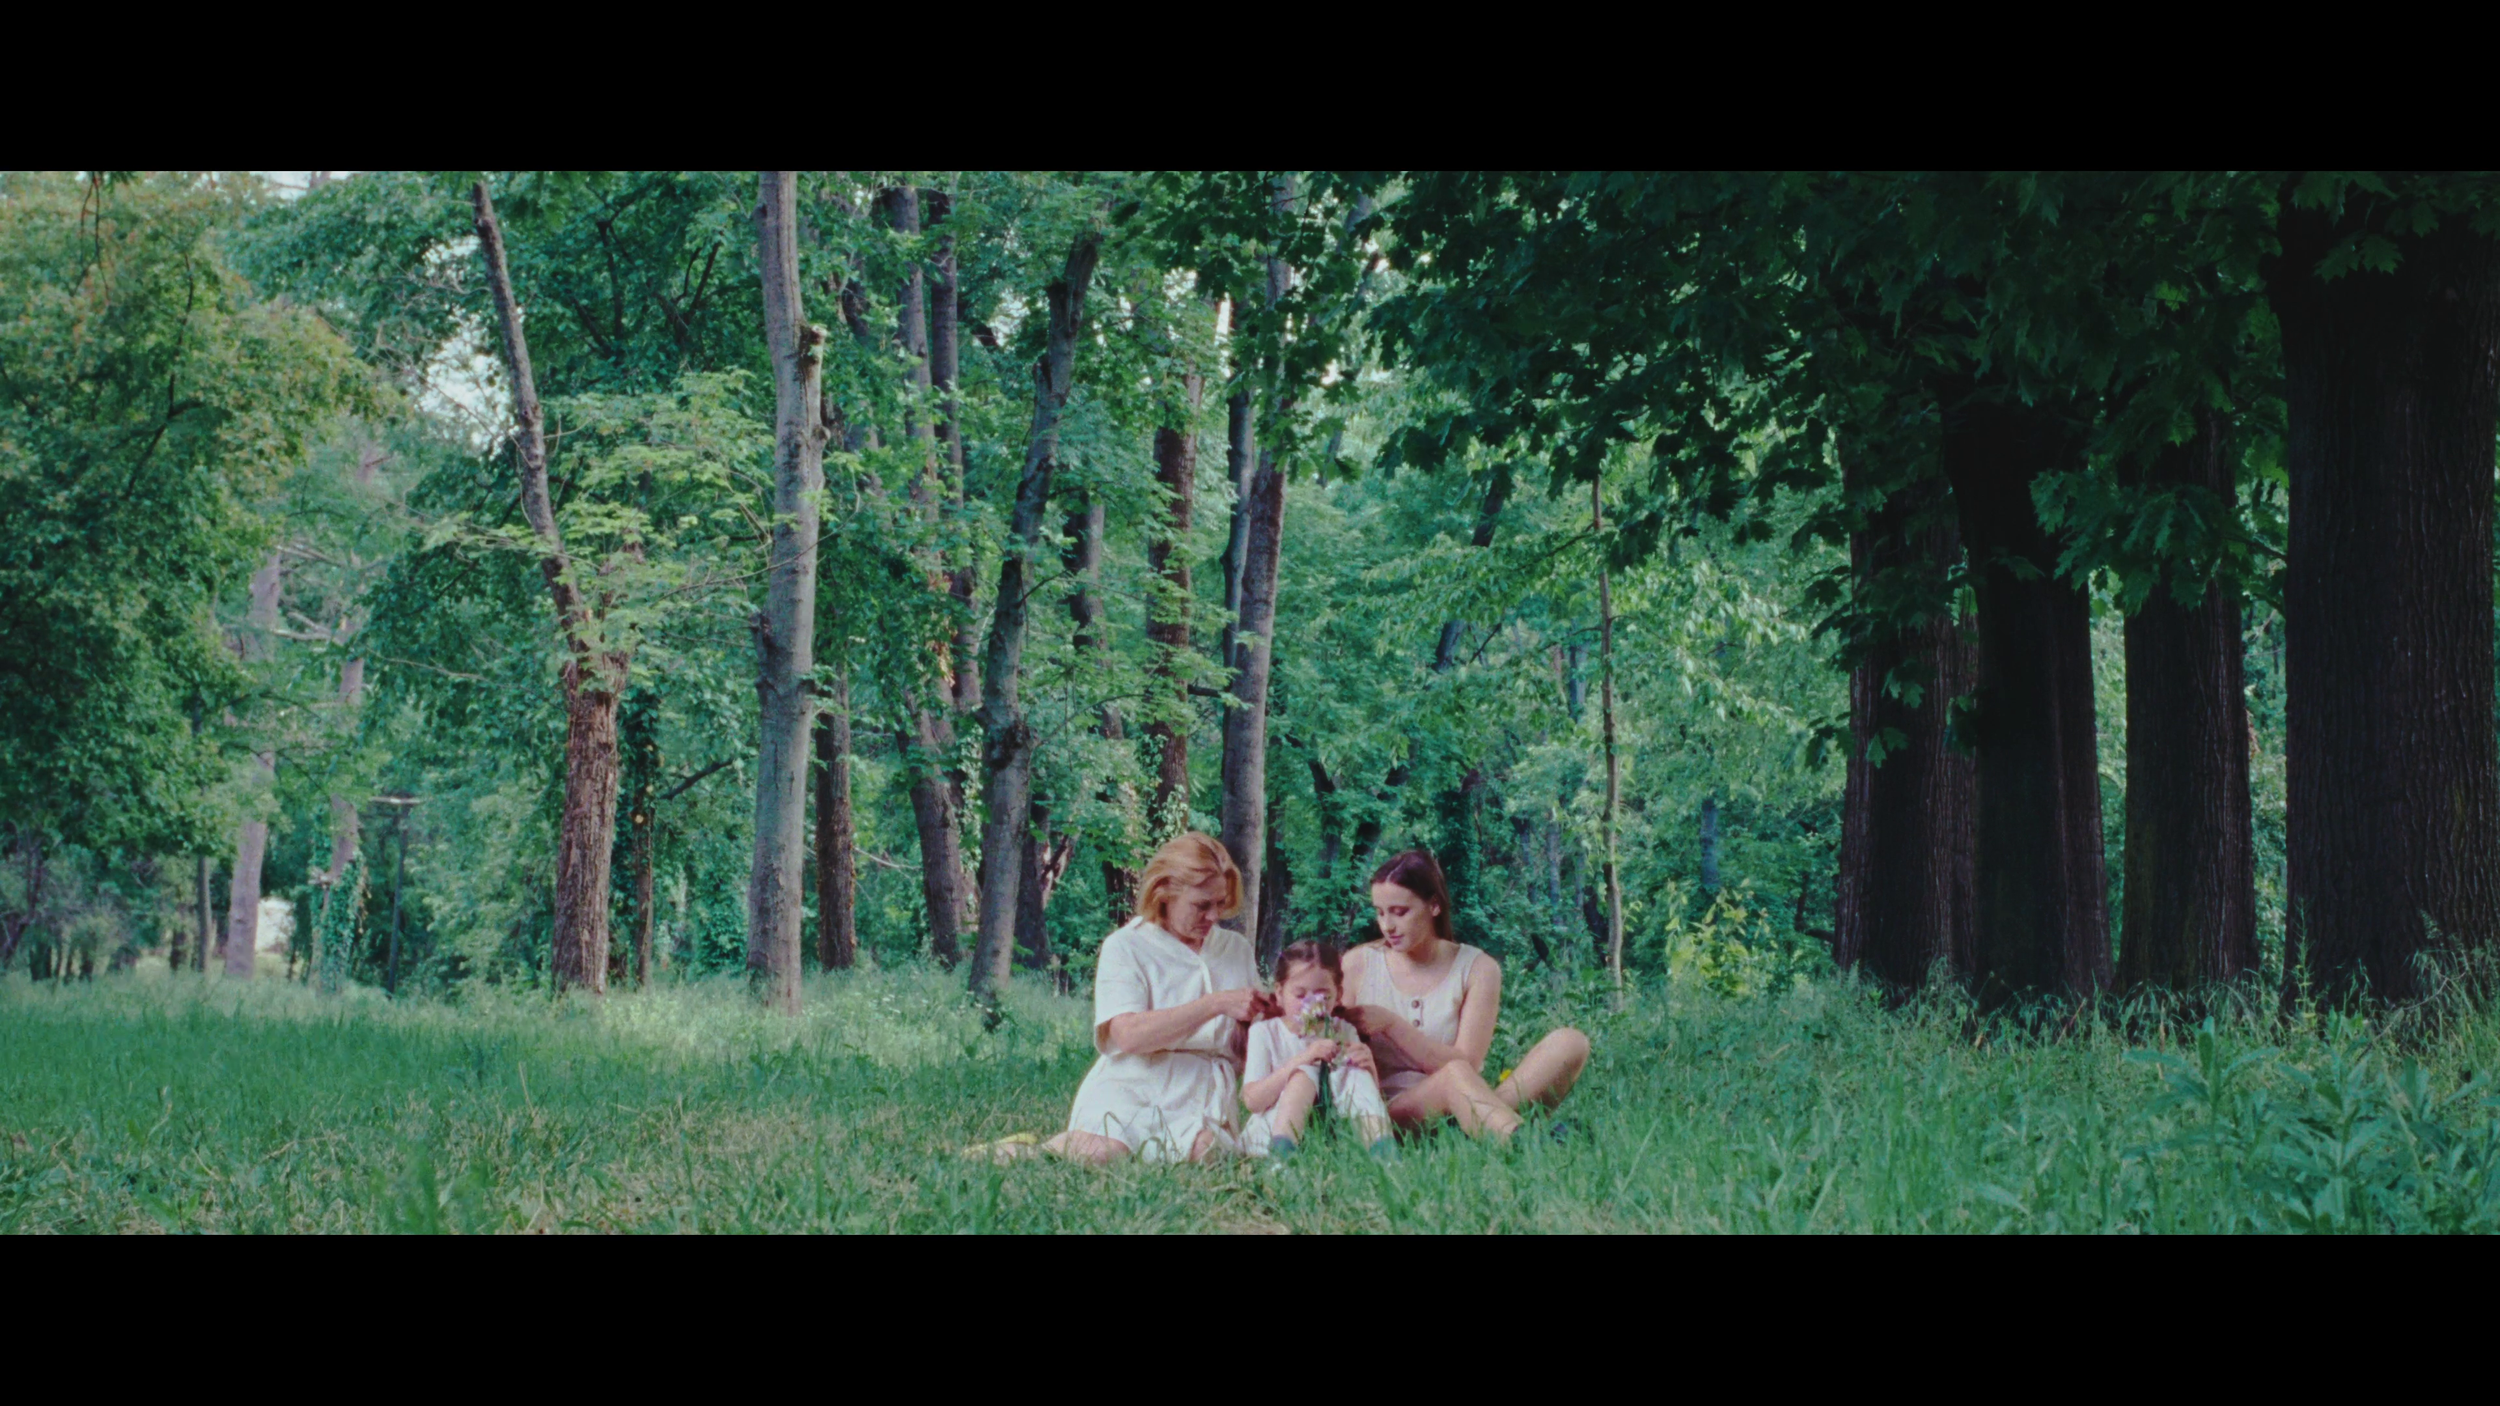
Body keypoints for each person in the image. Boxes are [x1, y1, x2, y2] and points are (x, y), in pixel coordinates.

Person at [1024, 832, 1273, 1165]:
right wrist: (1215, 1004)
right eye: (1202, 905)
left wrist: (1274, 1016)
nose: (1213, 916)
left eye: (1220, 904)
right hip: (1134, 1082)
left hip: (1202, 1089)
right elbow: (1127, 1035)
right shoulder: (1126, 945)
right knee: (1105, 1154)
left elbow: (1251, 1044)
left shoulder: (1235, 949)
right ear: (1165, 892)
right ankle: (1022, 1151)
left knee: (1210, 1154)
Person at [1341, 849, 1590, 1140]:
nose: (1387, 926)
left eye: (1400, 912)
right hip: (1391, 1112)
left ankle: (1474, 1127)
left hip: (1464, 1091)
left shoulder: (1478, 968)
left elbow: (1468, 1064)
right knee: (1452, 1077)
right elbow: (1332, 1044)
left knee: (1570, 1043)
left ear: (1434, 906)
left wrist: (1391, 1024)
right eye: (1380, 912)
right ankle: (1517, 1140)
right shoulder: (1359, 963)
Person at [1240, 941, 1393, 1160]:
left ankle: (1383, 1151)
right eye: (1300, 995)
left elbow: (1362, 1094)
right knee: (1304, 1075)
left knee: (1356, 1073)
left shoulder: (1342, 1030)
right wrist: (1304, 1058)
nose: (1311, 1004)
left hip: (1329, 1130)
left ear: (1338, 994)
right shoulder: (1264, 1032)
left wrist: (1369, 1070)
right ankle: (1281, 1159)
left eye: (1323, 995)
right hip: (1276, 1126)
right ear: (1280, 993)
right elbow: (1253, 1100)